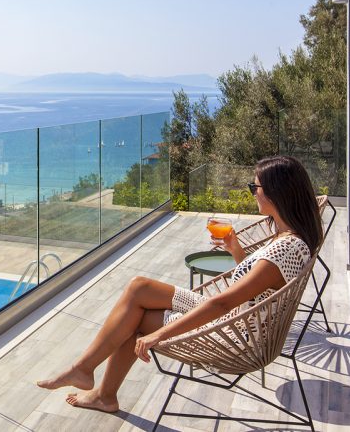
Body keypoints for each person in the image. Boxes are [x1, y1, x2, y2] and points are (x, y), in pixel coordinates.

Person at [37, 155, 323, 413]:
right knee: (139, 287)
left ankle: (98, 387)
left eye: (254, 188)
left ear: (276, 193)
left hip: (233, 333)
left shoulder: (285, 248)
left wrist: (157, 336)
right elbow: (258, 285)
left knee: (135, 320)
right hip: (237, 319)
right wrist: (236, 250)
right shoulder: (291, 238)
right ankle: (87, 373)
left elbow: (222, 303)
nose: (252, 193)